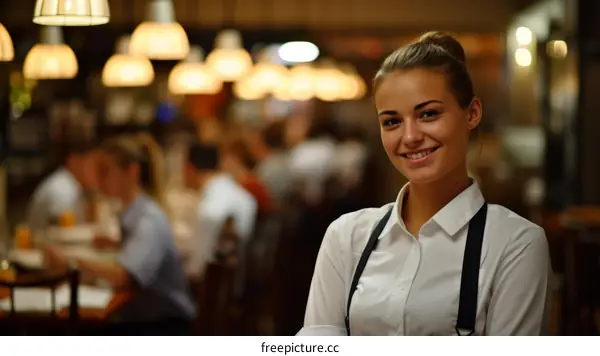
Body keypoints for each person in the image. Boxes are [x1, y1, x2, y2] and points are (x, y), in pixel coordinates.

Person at [298, 32, 552, 336]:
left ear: (472, 113)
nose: (410, 137)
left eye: (428, 114)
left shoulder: (515, 243)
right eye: (392, 121)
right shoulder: (345, 237)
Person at [45, 133, 196, 335]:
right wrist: (116, 245)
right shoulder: (136, 211)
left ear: (131, 172)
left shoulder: (146, 219)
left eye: (105, 171)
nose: (99, 179)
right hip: (151, 318)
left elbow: (124, 276)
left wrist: (71, 260)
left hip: (164, 326)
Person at [183, 141, 257, 279]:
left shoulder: (211, 209)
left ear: (189, 169)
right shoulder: (243, 196)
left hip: (213, 291)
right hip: (238, 283)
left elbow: (196, 269)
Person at [26, 141, 100, 230]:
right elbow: (61, 236)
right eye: (92, 164)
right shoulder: (62, 189)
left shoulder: (73, 184)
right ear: (73, 161)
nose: (96, 171)